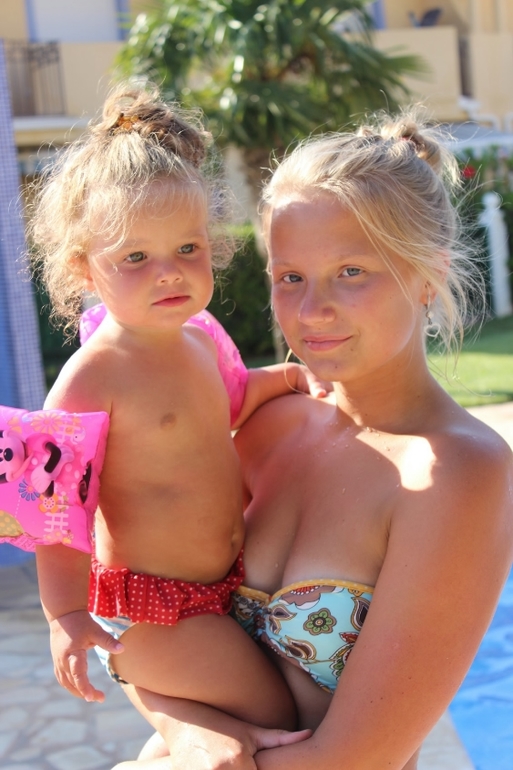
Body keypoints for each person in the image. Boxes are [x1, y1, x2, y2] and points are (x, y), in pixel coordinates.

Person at [111, 110, 513, 770]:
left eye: (351, 271)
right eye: (289, 277)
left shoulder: (454, 471)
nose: (311, 310)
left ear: (428, 275)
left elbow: (357, 756)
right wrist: (181, 729)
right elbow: (142, 615)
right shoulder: (266, 427)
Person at [31, 82, 330, 744]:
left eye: (187, 249)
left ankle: (186, 736)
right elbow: (56, 513)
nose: (169, 272)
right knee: (278, 717)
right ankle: (193, 732)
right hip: (157, 613)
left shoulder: (199, 340)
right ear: (84, 269)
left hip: (221, 591)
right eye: (136, 257)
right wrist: (65, 616)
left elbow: (229, 403)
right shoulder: (90, 380)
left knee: (288, 706)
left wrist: (288, 377)